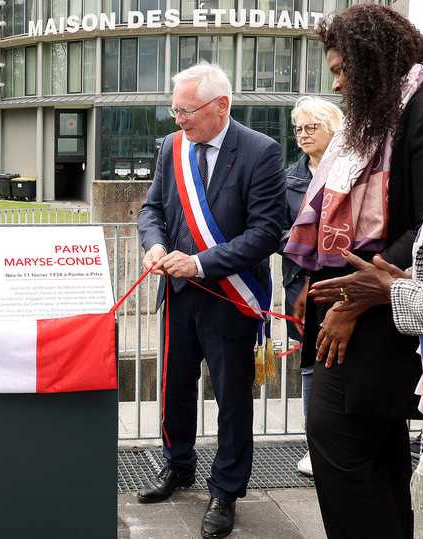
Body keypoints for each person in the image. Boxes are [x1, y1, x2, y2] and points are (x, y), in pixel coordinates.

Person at [282, 5, 423, 538]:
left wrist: (351, 303)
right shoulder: (378, 120)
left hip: (381, 315)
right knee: (373, 453)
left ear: (373, 62)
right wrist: (311, 285)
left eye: (344, 71)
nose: (339, 85)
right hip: (362, 311)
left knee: (338, 442)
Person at [137, 62, 285, 539]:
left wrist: (200, 263)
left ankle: (226, 490)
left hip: (230, 297)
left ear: (221, 105)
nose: (178, 120)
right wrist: (154, 245)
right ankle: (177, 465)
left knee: (232, 399)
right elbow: (152, 209)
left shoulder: (261, 152)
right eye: (174, 110)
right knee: (174, 389)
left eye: (186, 111)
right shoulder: (171, 147)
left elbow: (265, 232)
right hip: (178, 296)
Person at [281, 96, 343, 477]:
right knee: (309, 364)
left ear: (331, 128)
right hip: (299, 286)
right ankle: (313, 447)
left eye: (310, 127)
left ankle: (342, 443)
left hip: (342, 279)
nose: (302, 135)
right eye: (298, 129)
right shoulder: (288, 178)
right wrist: (307, 239)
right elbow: (273, 229)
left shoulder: (349, 171)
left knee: (342, 361)